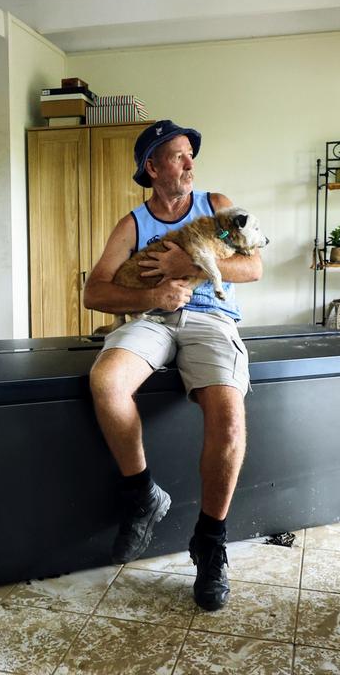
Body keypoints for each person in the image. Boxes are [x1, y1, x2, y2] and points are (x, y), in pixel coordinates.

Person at [83, 120, 262, 611]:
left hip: (211, 320)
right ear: (152, 167)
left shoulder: (217, 205)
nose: (190, 164)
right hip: (152, 319)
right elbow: (94, 292)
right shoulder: (133, 224)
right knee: (107, 381)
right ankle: (142, 493)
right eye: (179, 156)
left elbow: (253, 267)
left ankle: (210, 542)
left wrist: (193, 266)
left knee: (228, 418)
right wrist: (151, 293)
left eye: (190, 155)